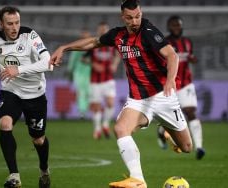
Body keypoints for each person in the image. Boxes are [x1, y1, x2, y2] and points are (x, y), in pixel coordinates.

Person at [49, 0, 193, 187]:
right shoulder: (117, 35)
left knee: (187, 147)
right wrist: (64, 48)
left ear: (141, 14)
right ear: (122, 17)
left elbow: (172, 55)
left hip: (162, 96)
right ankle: (138, 180)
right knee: (120, 129)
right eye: (130, 18)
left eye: (138, 16)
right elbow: (93, 42)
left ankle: (166, 132)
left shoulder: (149, 33)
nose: (135, 21)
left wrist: (171, 79)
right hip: (138, 100)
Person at [0, 6, 52, 188]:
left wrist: (18, 70)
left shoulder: (30, 36)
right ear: (1, 24)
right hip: (11, 92)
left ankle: (44, 169)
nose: (14, 28)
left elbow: (48, 63)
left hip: (35, 94)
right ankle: (14, 176)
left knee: (39, 139)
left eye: (17, 23)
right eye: (10, 24)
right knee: (5, 124)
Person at [157, 15, 205, 160]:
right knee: (168, 117)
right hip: (169, 84)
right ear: (169, 27)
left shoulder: (187, 42)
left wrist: (192, 59)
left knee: (191, 112)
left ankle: (199, 147)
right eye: (173, 25)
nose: (176, 28)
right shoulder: (164, 43)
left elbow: (191, 57)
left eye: (178, 25)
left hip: (186, 84)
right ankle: (161, 133)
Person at [83, 22, 121, 140]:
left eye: (105, 29)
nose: (103, 31)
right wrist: (93, 64)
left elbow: (118, 54)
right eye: (101, 30)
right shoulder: (94, 44)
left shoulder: (113, 44)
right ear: (98, 31)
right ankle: (97, 129)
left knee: (110, 103)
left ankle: (105, 124)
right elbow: (84, 59)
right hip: (95, 81)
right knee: (97, 107)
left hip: (108, 79)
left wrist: (114, 64)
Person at [67, 29, 92, 118]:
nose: (84, 38)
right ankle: (82, 112)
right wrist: (70, 72)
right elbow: (72, 61)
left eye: (86, 36)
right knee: (81, 92)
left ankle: (86, 111)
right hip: (78, 73)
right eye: (83, 36)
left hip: (90, 73)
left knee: (89, 93)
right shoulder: (77, 47)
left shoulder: (93, 47)